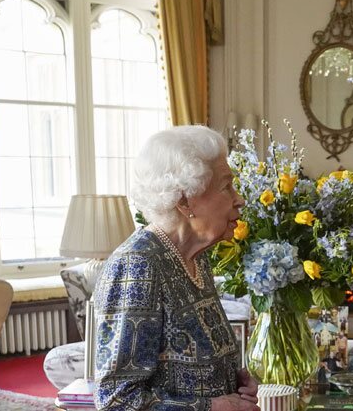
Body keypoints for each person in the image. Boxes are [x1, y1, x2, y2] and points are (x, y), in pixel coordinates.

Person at [94, 126, 259, 411]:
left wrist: (236, 382)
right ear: (185, 201)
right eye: (226, 186)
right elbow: (116, 400)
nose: (239, 199)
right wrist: (212, 407)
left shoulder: (195, 259)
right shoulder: (139, 265)